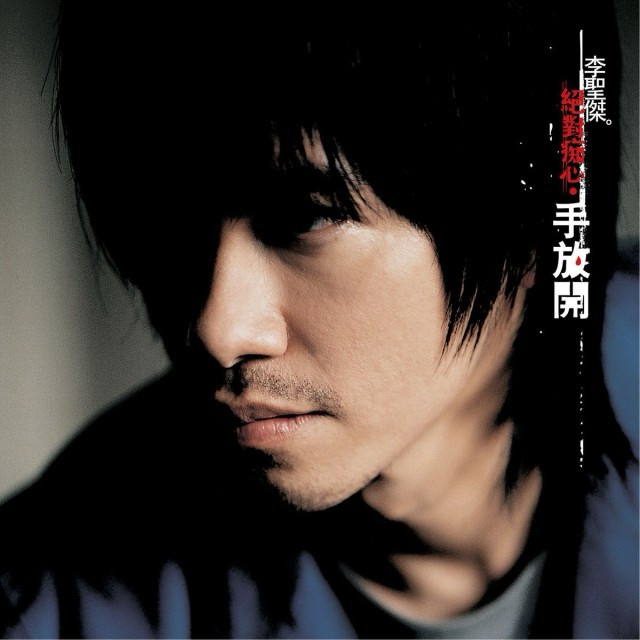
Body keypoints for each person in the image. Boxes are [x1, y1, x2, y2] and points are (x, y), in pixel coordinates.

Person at [1, 2, 637, 638]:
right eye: (171, 222)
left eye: (305, 216)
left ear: (534, 225)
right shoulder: (57, 598)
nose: (218, 330)